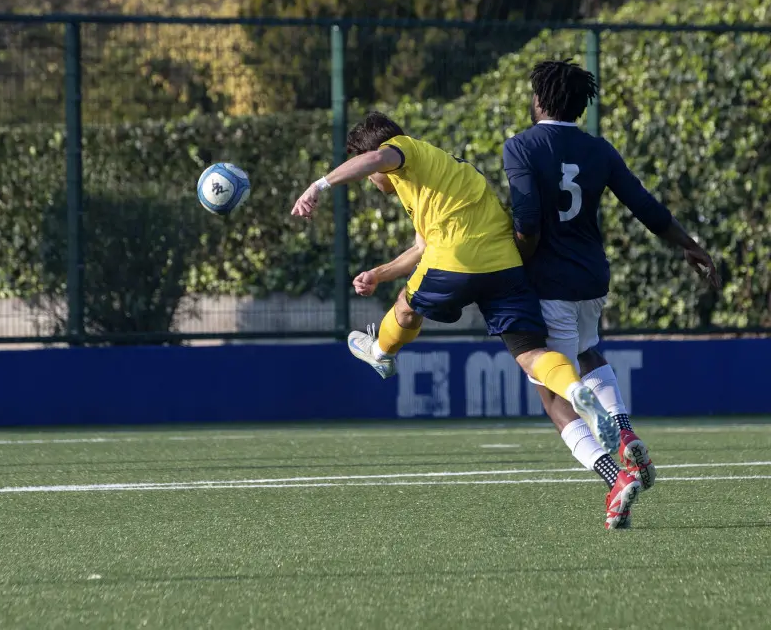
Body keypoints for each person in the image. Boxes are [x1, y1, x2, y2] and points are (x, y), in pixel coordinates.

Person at [292, 111, 640, 528]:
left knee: (405, 306)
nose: (372, 180)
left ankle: (381, 350)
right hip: (503, 265)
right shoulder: (432, 175)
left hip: (456, 260)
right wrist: (379, 273)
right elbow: (422, 246)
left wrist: (319, 185)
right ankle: (579, 400)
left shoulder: (401, 151)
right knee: (532, 355)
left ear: (378, 152)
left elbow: (374, 162)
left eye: (371, 170)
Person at [503, 59, 720, 509]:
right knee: (588, 352)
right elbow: (644, 205)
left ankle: (613, 477)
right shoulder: (598, 149)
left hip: (548, 282)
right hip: (591, 278)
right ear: (581, 106)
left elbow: (527, 223)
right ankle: (624, 430)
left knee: (549, 390)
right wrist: (689, 244)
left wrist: (510, 268)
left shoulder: (520, 147)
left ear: (539, 100)